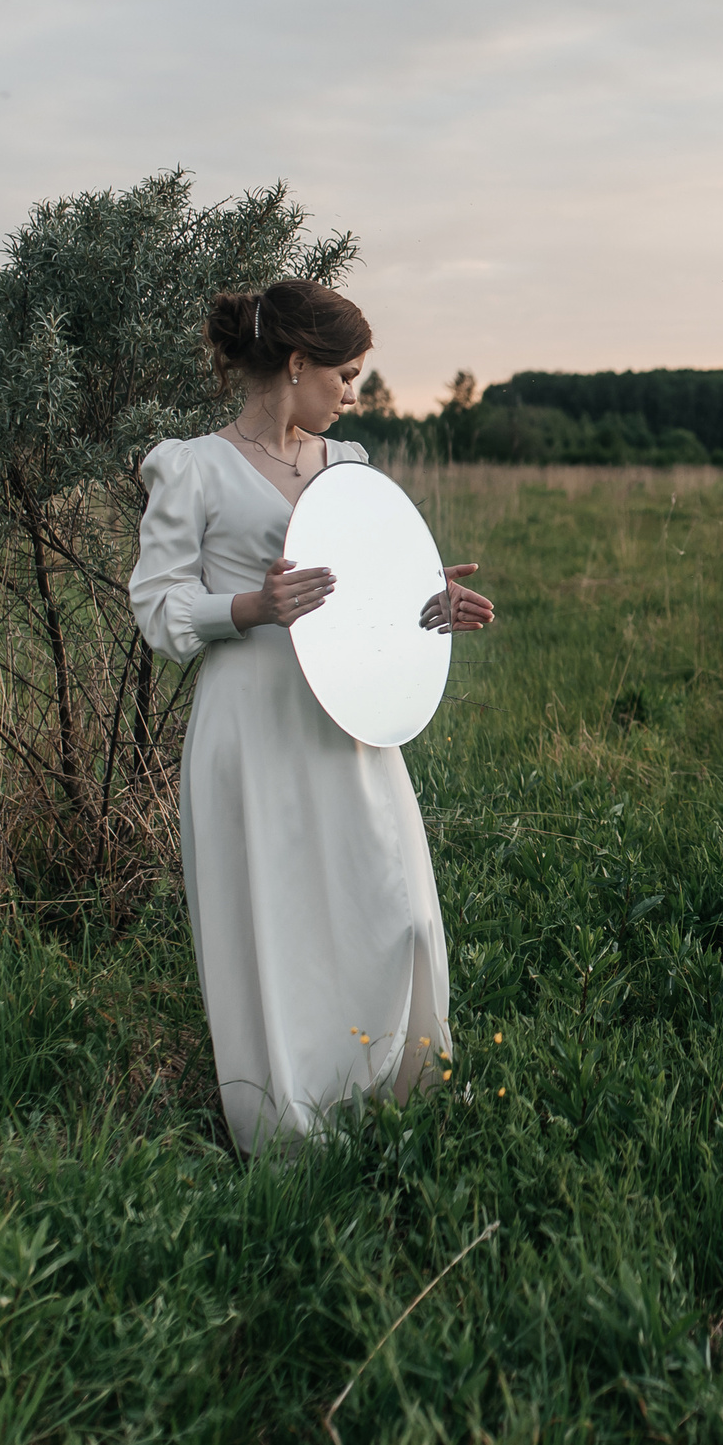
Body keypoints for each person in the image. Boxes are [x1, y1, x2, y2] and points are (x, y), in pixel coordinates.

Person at [128, 279, 495, 1153]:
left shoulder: (351, 469)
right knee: (279, 909)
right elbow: (158, 608)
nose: (352, 394)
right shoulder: (193, 466)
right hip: (253, 720)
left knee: (390, 899)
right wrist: (253, 607)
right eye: (345, 375)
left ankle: (395, 1094)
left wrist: (432, 602)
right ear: (295, 365)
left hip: (351, 717)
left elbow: (369, 591)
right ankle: (290, 1128)